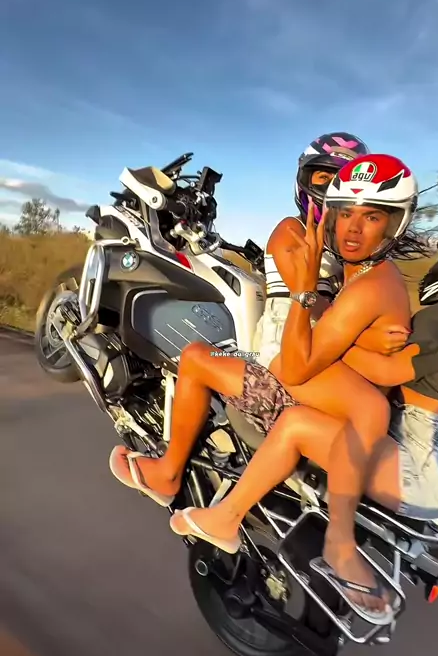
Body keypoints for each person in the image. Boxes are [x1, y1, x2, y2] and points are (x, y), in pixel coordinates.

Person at [109, 153, 420, 587]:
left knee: (196, 358)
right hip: (327, 387)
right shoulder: (347, 261)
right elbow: (338, 334)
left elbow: (297, 355)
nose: (352, 227)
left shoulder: (364, 280)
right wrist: (361, 344)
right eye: (346, 211)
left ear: (393, 223)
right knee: (208, 355)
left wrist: (309, 294)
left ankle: (169, 473)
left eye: (370, 216)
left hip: (303, 386)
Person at [166, 214, 438, 622]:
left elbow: (386, 370)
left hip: (425, 466)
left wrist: (340, 341)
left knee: (294, 419)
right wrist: (354, 337)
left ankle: (228, 515)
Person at [254, 132, 407, 368]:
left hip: (325, 343)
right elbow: (308, 298)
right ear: (305, 179)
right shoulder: (291, 229)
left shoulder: (344, 245)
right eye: (324, 177)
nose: (332, 187)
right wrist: (365, 338)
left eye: (340, 180)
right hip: (284, 347)